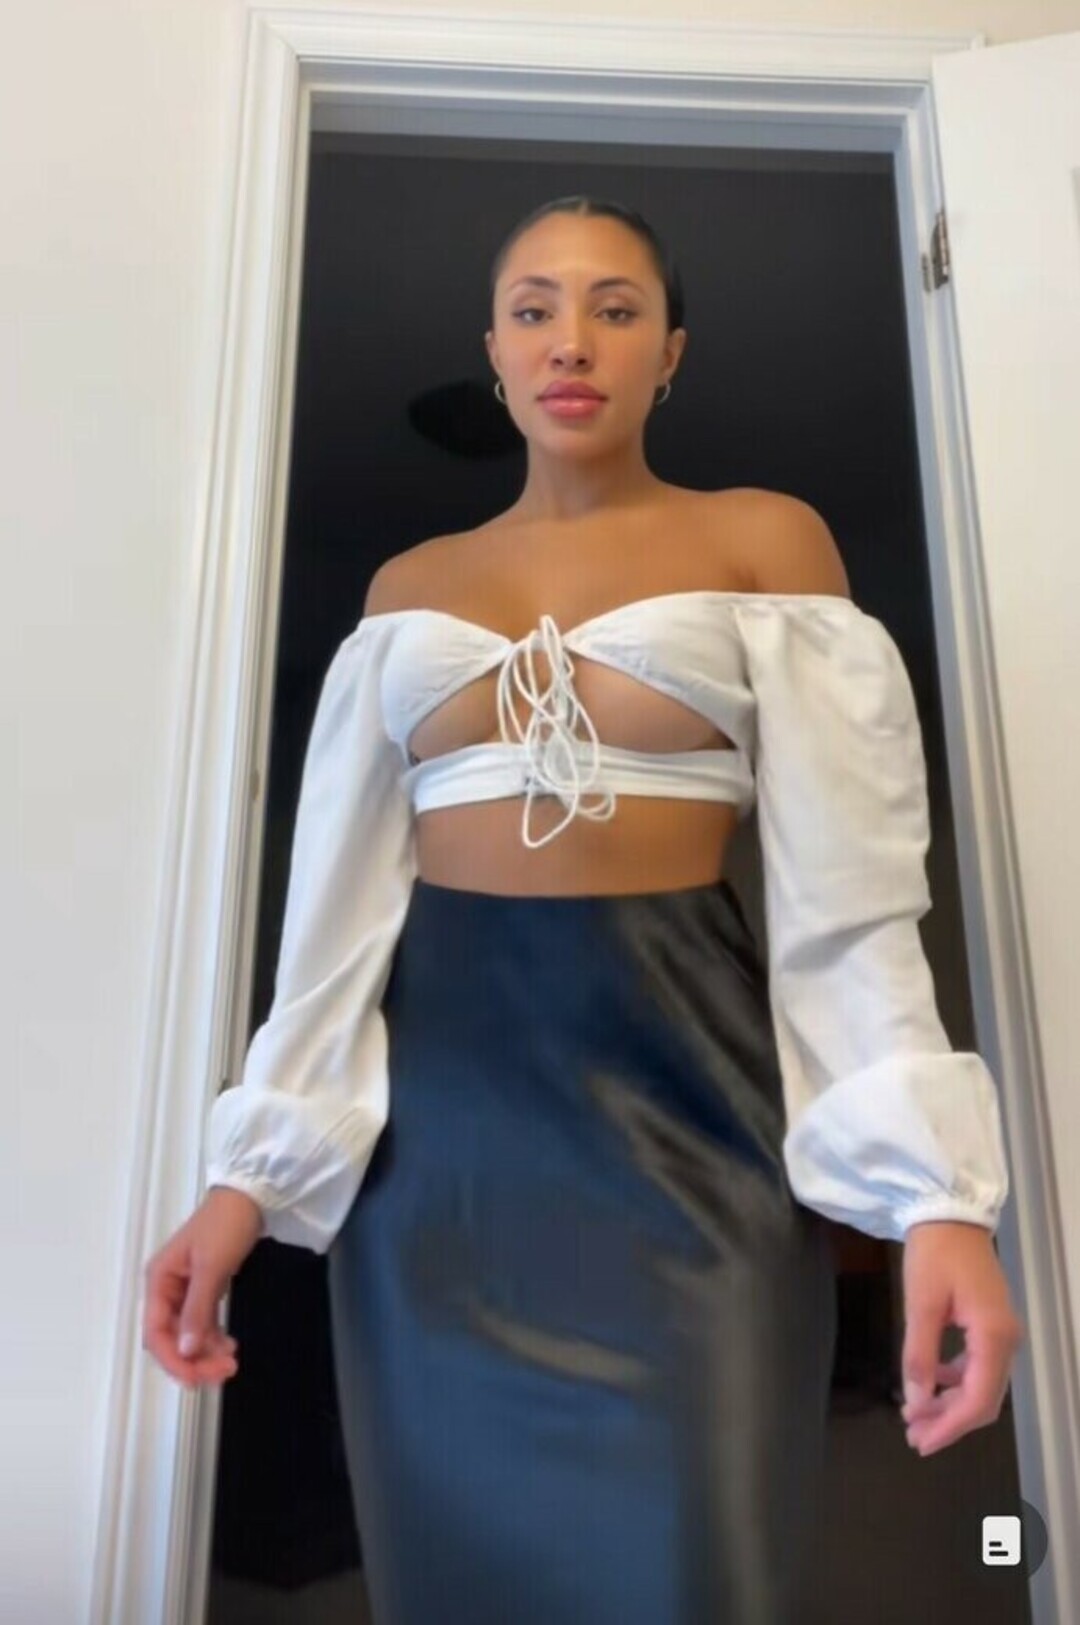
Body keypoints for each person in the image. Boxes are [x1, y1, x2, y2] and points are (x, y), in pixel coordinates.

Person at [143, 196, 1024, 1621]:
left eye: (616, 309)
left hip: (693, 1139)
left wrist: (938, 1207)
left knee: (695, 1577)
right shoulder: (405, 593)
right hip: (440, 1177)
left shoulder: (766, 544)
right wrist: (242, 1186)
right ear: (494, 350)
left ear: (669, 353)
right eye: (535, 308)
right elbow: (335, 938)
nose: (573, 340)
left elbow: (851, 909)